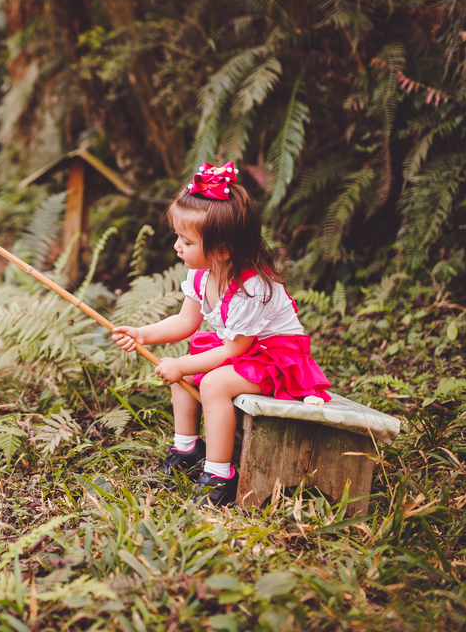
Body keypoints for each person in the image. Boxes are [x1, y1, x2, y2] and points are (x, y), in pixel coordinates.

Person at [111, 162, 331, 506]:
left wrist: (182, 365)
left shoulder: (251, 288)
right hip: (244, 349)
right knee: (190, 361)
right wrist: (143, 333)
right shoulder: (202, 275)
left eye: (186, 241)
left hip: (277, 357)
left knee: (211, 381)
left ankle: (219, 473)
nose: (177, 247)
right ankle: (186, 448)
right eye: (178, 237)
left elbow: (234, 350)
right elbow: (185, 323)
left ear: (224, 249)